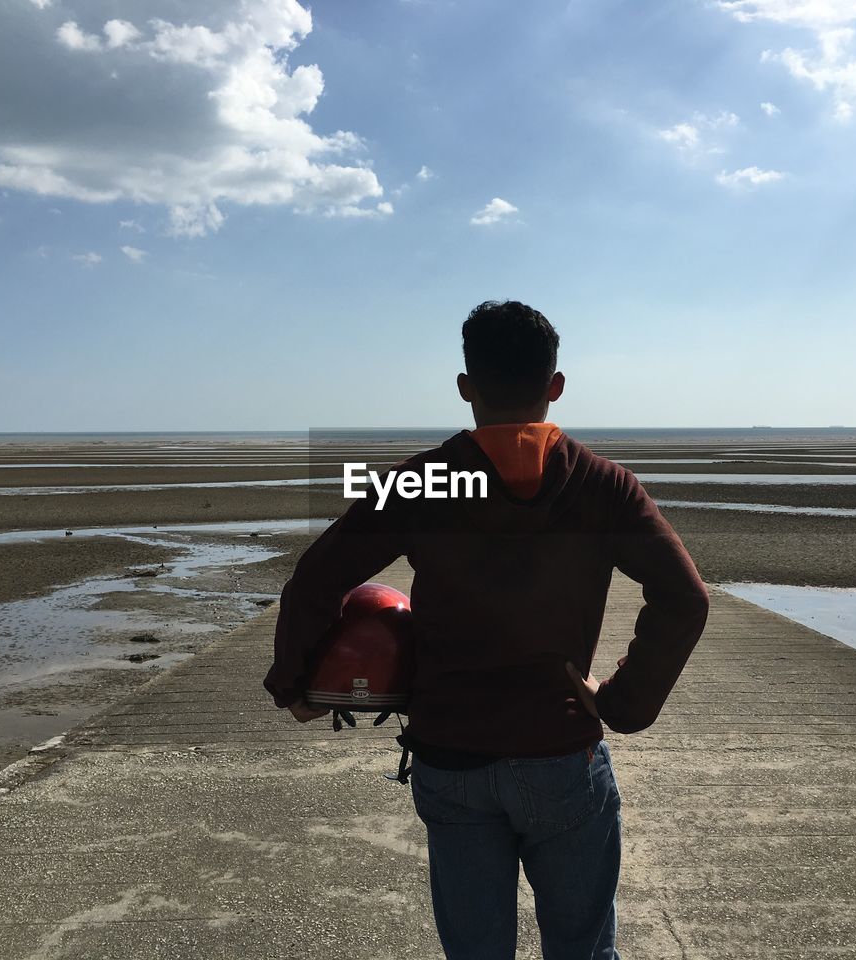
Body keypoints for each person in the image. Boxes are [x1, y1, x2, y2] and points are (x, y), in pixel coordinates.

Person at [263, 300, 709, 960]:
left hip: (451, 759)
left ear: (466, 387)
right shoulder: (604, 485)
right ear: (555, 386)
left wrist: (293, 687)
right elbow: (685, 598)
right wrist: (621, 703)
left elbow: (316, 580)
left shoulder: (421, 483)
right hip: (562, 756)